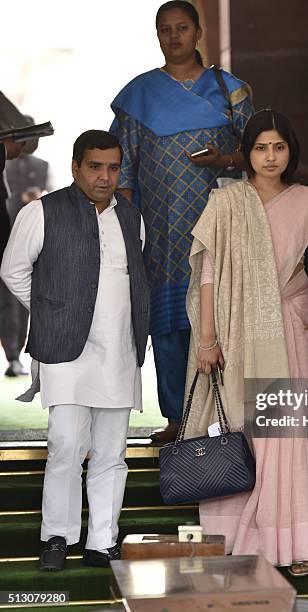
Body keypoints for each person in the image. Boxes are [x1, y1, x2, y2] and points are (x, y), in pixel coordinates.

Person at [183, 109, 308, 575]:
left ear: (290, 151)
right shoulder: (227, 201)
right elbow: (209, 274)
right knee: (242, 432)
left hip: (293, 331)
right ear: (247, 153)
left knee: (289, 440)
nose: (270, 156)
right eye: (261, 147)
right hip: (236, 332)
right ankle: (241, 541)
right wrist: (208, 339)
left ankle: (293, 543)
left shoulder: (303, 200)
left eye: (279, 147)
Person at [0, 130, 149, 571]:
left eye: (113, 167)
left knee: (111, 452)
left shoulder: (131, 217)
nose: (105, 177)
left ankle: (102, 540)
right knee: (66, 444)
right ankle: (57, 537)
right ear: (75, 167)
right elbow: (13, 270)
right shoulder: (40, 212)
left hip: (119, 350)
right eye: (95, 167)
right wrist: (52, 311)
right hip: (65, 349)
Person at [110, 0, 254, 444]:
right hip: (160, 233)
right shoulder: (139, 96)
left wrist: (225, 158)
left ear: (198, 32)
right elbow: (124, 167)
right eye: (165, 29)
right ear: (158, 36)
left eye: (182, 28)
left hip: (219, 227)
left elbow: (260, 154)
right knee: (169, 323)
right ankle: (177, 418)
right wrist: (127, 230)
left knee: (221, 321)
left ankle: (226, 420)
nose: (174, 36)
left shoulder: (232, 91)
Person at [2, 116, 55, 377]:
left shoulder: (42, 166)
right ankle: (14, 356)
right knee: (11, 301)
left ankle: (16, 355)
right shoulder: (6, 163)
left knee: (19, 301)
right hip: (9, 235)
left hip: (29, 239)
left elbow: (50, 196)